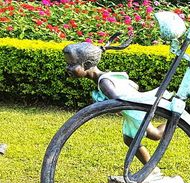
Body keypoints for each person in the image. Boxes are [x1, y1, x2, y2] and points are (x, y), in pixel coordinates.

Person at [62, 36, 164, 165]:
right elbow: (133, 85)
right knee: (130, 140)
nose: (68, 68)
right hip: (129, 110)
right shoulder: (104, 79)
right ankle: (151, 169)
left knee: (155, 134)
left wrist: (102, 106)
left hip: (134, 109)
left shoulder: (104, 82)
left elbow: (117, 104)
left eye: (72, 64)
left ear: (86, 65)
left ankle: (175, 121)